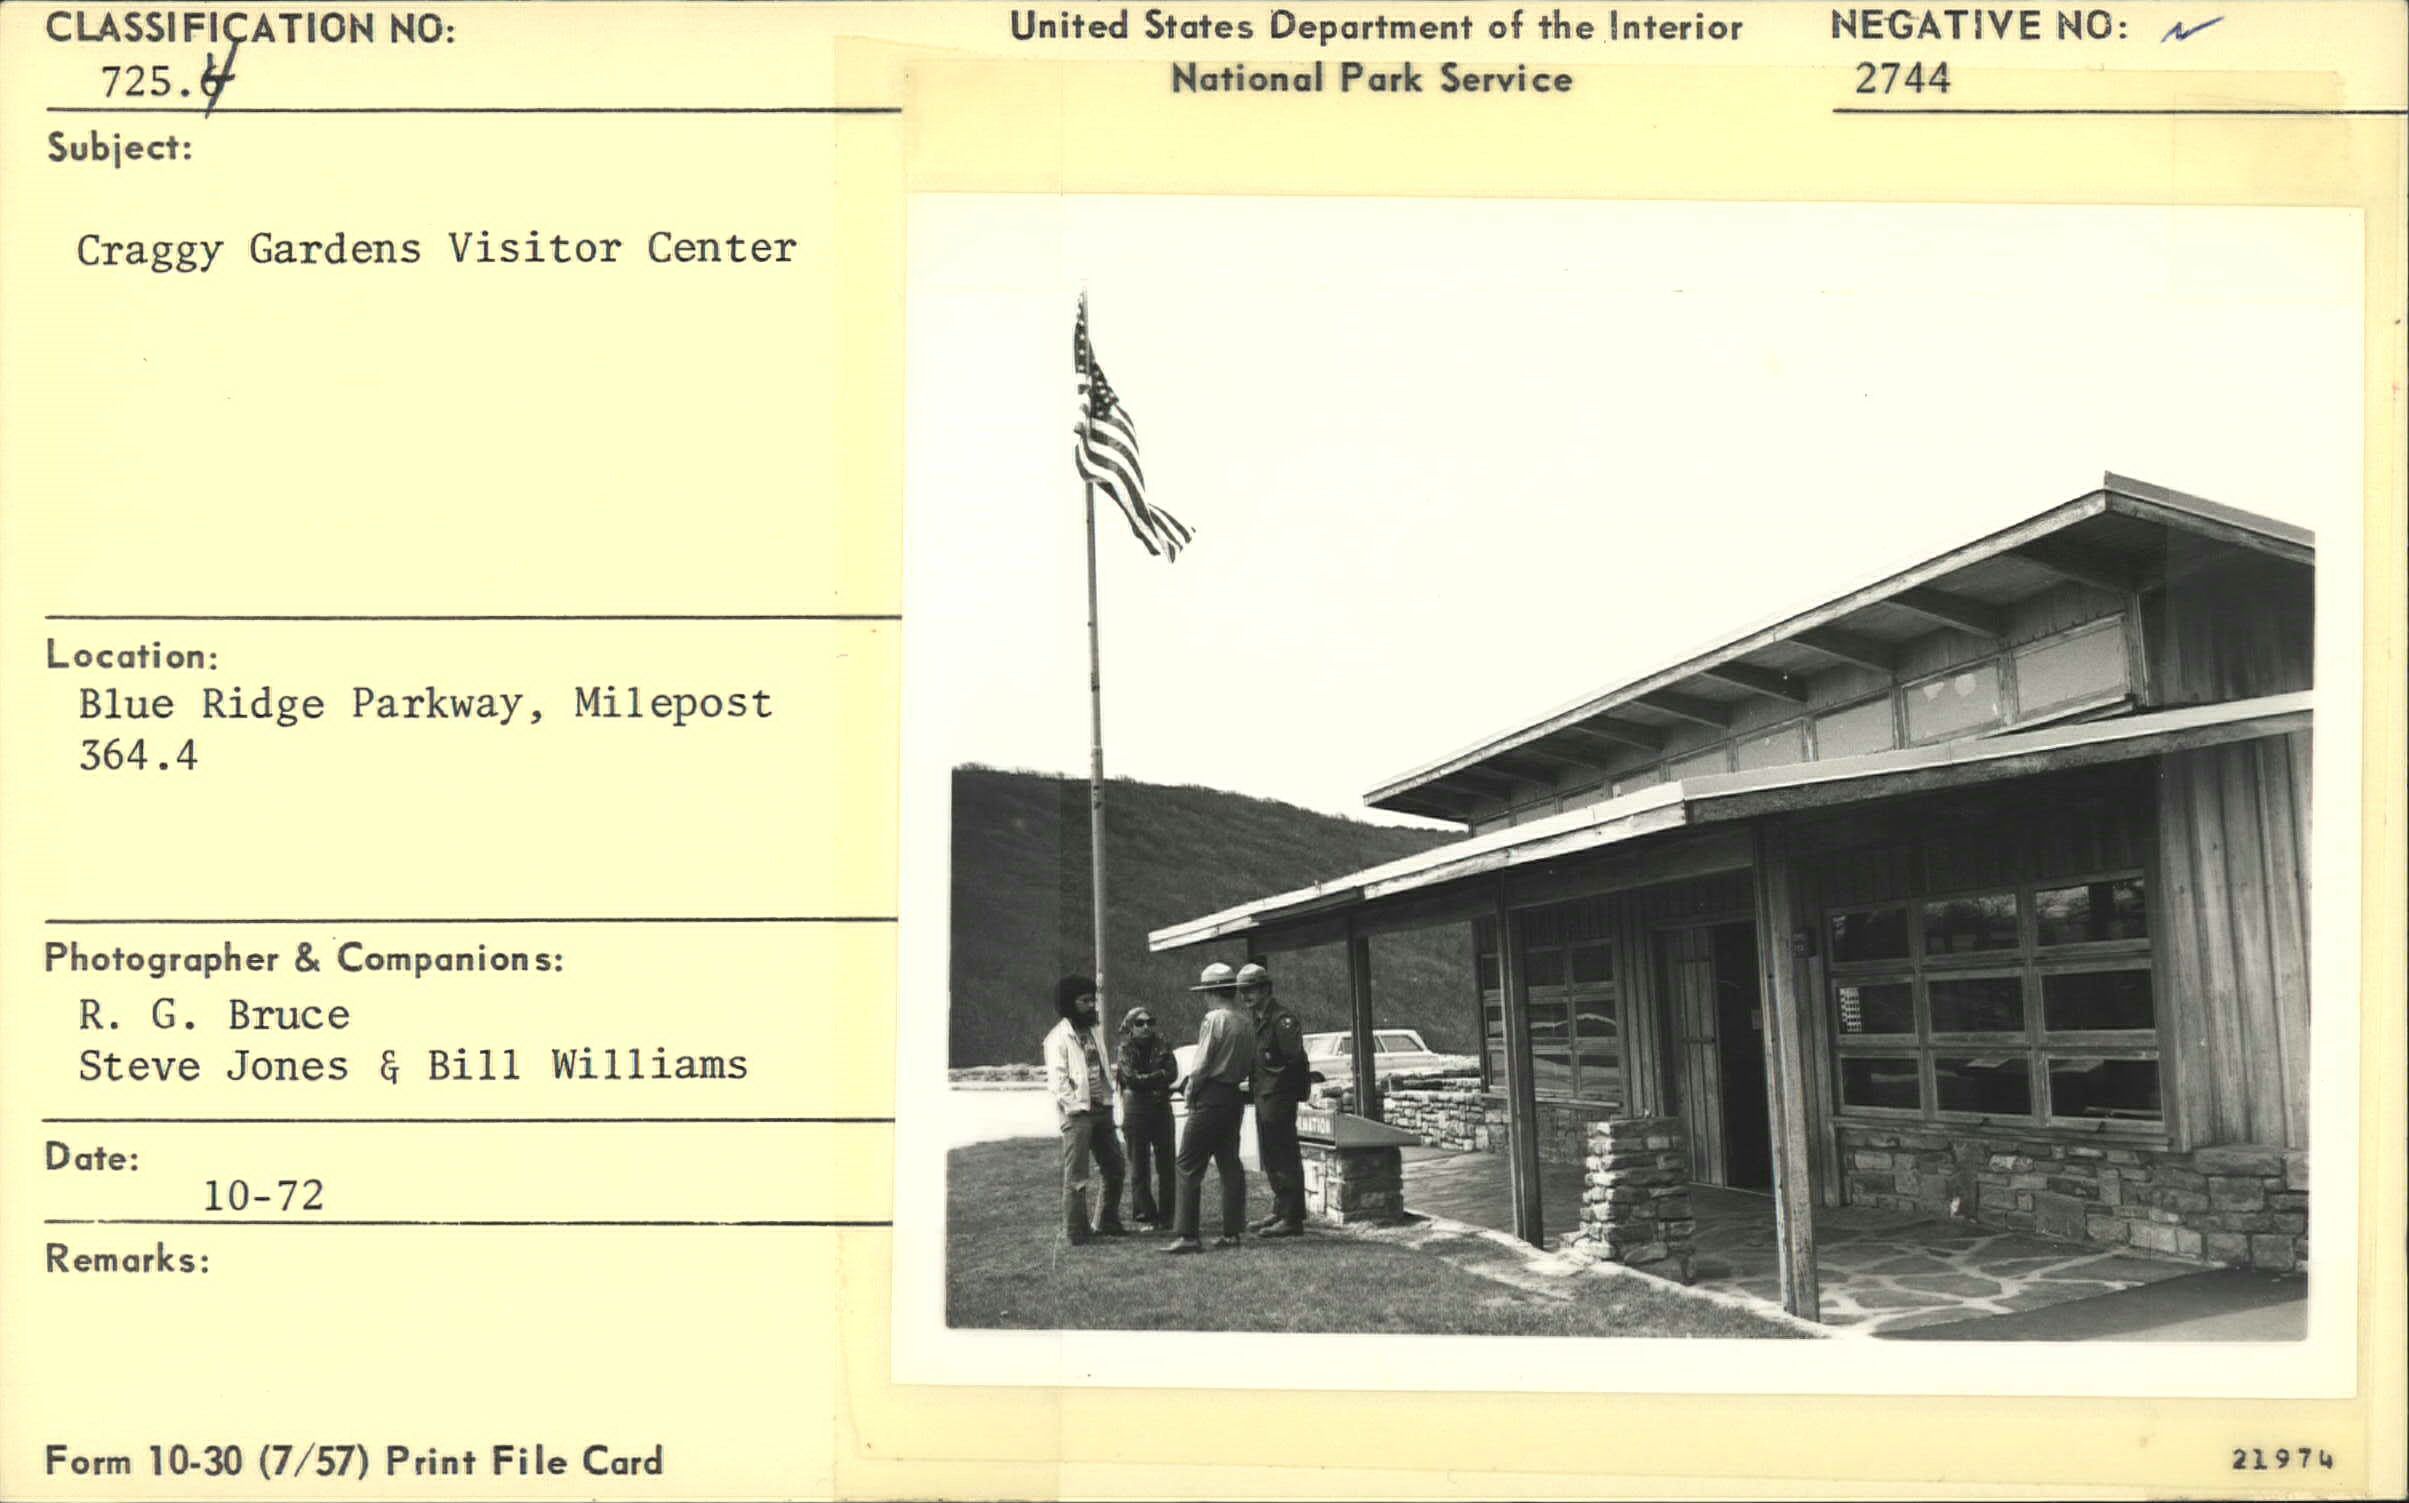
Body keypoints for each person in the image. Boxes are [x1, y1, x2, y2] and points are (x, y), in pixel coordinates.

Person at [1162, 961, 1254, 1255]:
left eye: (1206, 991)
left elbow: (1201, 1065)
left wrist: (1190, 1091)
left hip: (1211, 1095)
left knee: (1188, 1164)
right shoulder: (1245, 1021)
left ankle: (1188, 1235)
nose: (1204, 997)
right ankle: (1233, 1232)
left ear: (1213, 992)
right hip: (1233, 1097)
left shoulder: (1214, 1019)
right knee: (1229, 1164)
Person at [1041, 974, 1126, 1246]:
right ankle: (1076, 1232)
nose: (1091, 1005)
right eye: (1084, 1001)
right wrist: (1076, 1107)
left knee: (1114, 1166)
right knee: (1077, 1175)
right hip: (1077, 1114)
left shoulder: (1094, 1031)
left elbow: (1100, 1069)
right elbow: (1058, 1082)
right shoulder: (1057, 1038)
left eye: (1093, 1000)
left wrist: (1107, 1101)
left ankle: (1106, 1221)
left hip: (1102, 1110)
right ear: (1069, 1004)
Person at [1241, 960, 1311, 1238]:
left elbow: (1294, 1060)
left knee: (1284, 1154)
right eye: (1243, 991)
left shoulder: (1282, 1019)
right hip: (1264, 1095)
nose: (1246, 996)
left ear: (1266, 989)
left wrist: (1285, 1095)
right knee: (1271, 1154)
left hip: (1278, 1097)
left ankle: (1292, 1218)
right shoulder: (1259, 1019)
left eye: (1252, 990)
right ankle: (1281, 1209)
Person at [1114, 1006, 1178, 1226]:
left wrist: (1149, 1080)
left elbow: (1173, 1073)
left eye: (1150, 1022)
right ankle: (1145, 1213)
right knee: (1139, 1164)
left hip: (1161, 1108)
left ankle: (1169, 1214)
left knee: (1167, 1164)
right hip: (1135, 1110)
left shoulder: (1163, 1044)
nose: (1146, 1027)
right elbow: (1130, 1078)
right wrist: (1157, 1077)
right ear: (1130, 1027)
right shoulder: (1124, 1048)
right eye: (1140, 1023)